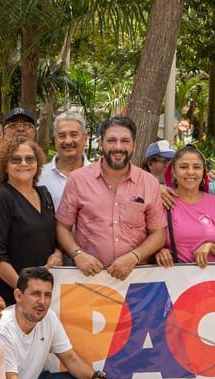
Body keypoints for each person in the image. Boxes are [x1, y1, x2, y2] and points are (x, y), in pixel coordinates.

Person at [56, 115, 166, 280]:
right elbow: (62, 227)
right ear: (101, 143)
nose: (118, 147)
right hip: (88, 278)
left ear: (134, 145)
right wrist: (77, 254)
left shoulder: (149, 183)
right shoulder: (78, 180)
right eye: (111, 140)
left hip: (136, 278)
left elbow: (158, 234)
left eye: (125, 141)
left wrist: (134, 256)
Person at [0, 137, 62, 306]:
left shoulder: (44, 194)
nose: (23, 163)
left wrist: (58, 254)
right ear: (5, 165)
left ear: (38, 163)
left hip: (45, 294)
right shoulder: (2, 197)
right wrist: (24, 292)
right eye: (15, 159)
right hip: (15, 296)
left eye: (30, 159)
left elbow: (54, 238)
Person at [156, 145, 215, 267]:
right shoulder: (164, 201)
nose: (190, 172)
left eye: (196, 167)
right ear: (173, 171)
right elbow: (145, 241)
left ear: (203, 172)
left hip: (210, 277)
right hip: (173, 277)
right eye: (183, 167)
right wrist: (157, 252)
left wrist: (211, 247)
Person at [38, 112, 86, 210]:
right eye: (62, 136)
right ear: (55, 140)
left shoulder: (99, 176)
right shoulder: (39, 176)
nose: (68, 141)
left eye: (73, 135)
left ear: (85, 138)